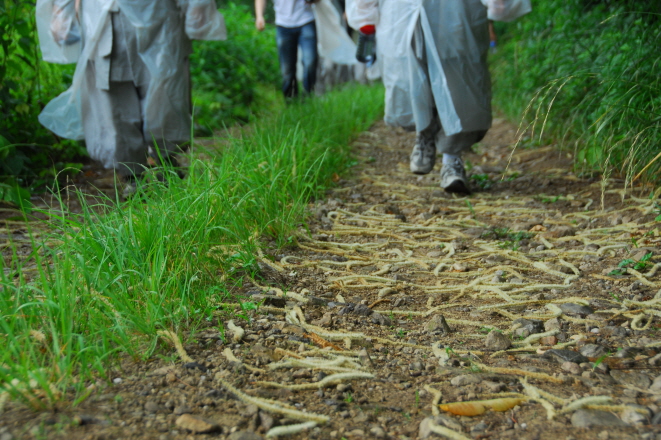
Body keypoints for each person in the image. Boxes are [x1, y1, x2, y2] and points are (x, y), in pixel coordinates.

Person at [347, 0, 529, 194]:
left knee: (457, 82)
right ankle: (424, 130)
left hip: (455, 11)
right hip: (400, 11)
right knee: (408, 78)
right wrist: (364, 13)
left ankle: (452, 159)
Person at [37, 0, 226, 185]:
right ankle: (132, 175)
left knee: (164, 92)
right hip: (103, 21)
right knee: (113, 98)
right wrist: (61, 11)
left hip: (158, 17)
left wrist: (198, 5)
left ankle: (167, 161)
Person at [254, 0, 319, 99]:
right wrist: (259, 16)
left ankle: (308, 97)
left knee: (310, 62)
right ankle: (291, 102)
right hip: (283, 24)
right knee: (287, 71)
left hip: (306, 20)